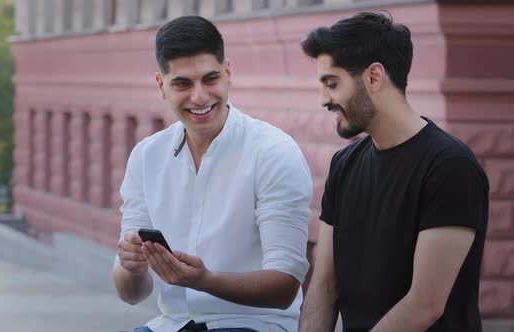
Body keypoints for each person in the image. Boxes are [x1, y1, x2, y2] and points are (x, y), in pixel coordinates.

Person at [113, 16, 313, 332]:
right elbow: (131, 294)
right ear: (161, 86)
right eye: (182, 83)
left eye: (210, 79)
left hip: (255, 325)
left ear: (228, 73)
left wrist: (204, 281)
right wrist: (132, 267)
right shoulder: (146, 156)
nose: (200, 97)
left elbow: (285, 287)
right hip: (172, 324)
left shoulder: (274, 152)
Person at [298, 12, 489, 332]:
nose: (323, 99)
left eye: (332, 83)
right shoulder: (344, 165)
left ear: (374, 77)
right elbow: (324, 287)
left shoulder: (450, 168)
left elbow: (424, 304)